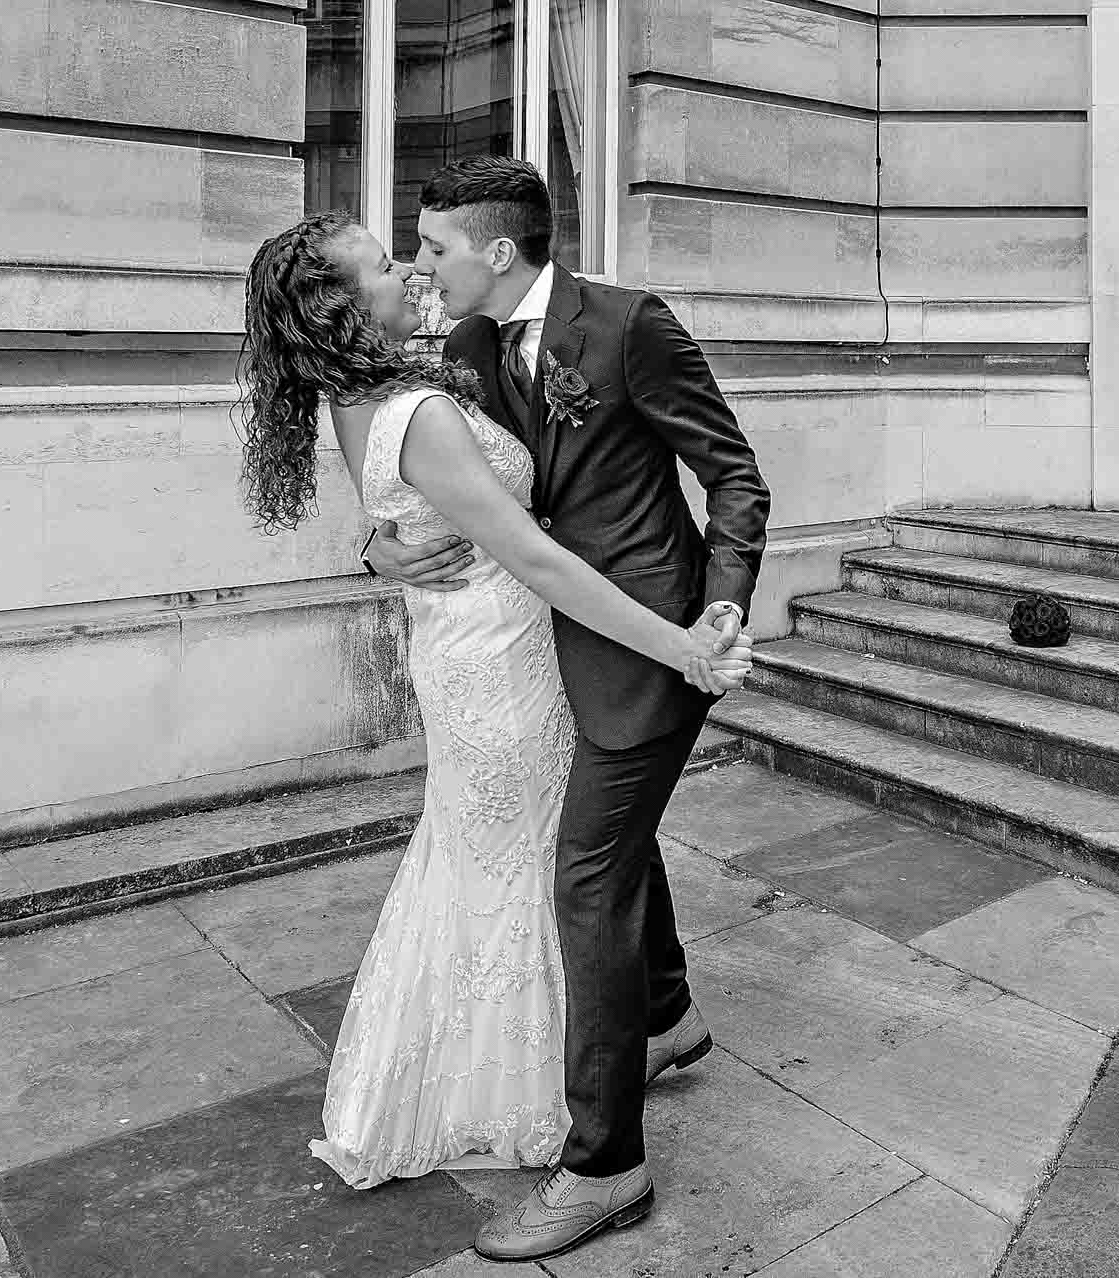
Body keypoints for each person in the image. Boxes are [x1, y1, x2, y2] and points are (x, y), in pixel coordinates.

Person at [233, 209, 758, 1229]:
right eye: (390, 263)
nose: (410, 271)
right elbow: (535, 555)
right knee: (550, 870)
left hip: (492, 649)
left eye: (422, 250)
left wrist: (379, 551)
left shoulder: (375, 393)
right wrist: (682, 645)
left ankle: (663, 1014)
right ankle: (584, 1134)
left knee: (556, 849)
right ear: (341, 307)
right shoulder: (423, 404)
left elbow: (409, 517)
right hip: (509, 659)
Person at [361, 157, 771, 1262]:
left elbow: (733, 475)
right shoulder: (467, 348)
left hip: (655, 647)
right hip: (533, 654)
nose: (422, 262)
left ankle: (606, 1167)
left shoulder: (631, 325)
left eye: (435, 244)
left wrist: (723, 606)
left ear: (498, 251)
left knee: (585, 879)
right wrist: (382, 548)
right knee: (614, 848)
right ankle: (668, 1015)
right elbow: (452, 490)